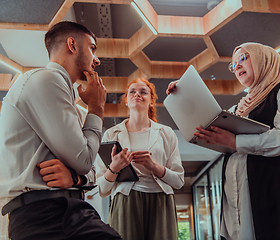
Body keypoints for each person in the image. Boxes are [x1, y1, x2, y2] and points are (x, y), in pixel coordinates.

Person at [167, 42, 280, 239]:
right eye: (233, 64)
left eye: (243, 58)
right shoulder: (239, 108)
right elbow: (209, 121)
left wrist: (236, 142)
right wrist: (184, 93)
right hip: (244, 201)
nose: (236, 66)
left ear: (264, 61)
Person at [0, 21, 121, 240]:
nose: (97, 59)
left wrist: (75, 179)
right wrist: (97, 107)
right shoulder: (46, 79)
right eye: (92, 48)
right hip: (44, 214)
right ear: (72, 45)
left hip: (64, 210)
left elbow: (91, 171)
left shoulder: (74, 108)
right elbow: (85, 160)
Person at [95, 78, 185, 240]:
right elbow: (101, 189)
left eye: (143, 92)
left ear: (151, 101)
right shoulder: (111, 134)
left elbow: (178, 181)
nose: (137, 94)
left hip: (161, 201)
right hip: (125, 202)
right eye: (132, 92)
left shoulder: (167, 133)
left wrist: (153, 166)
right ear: (126, 101)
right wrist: (113, 169)